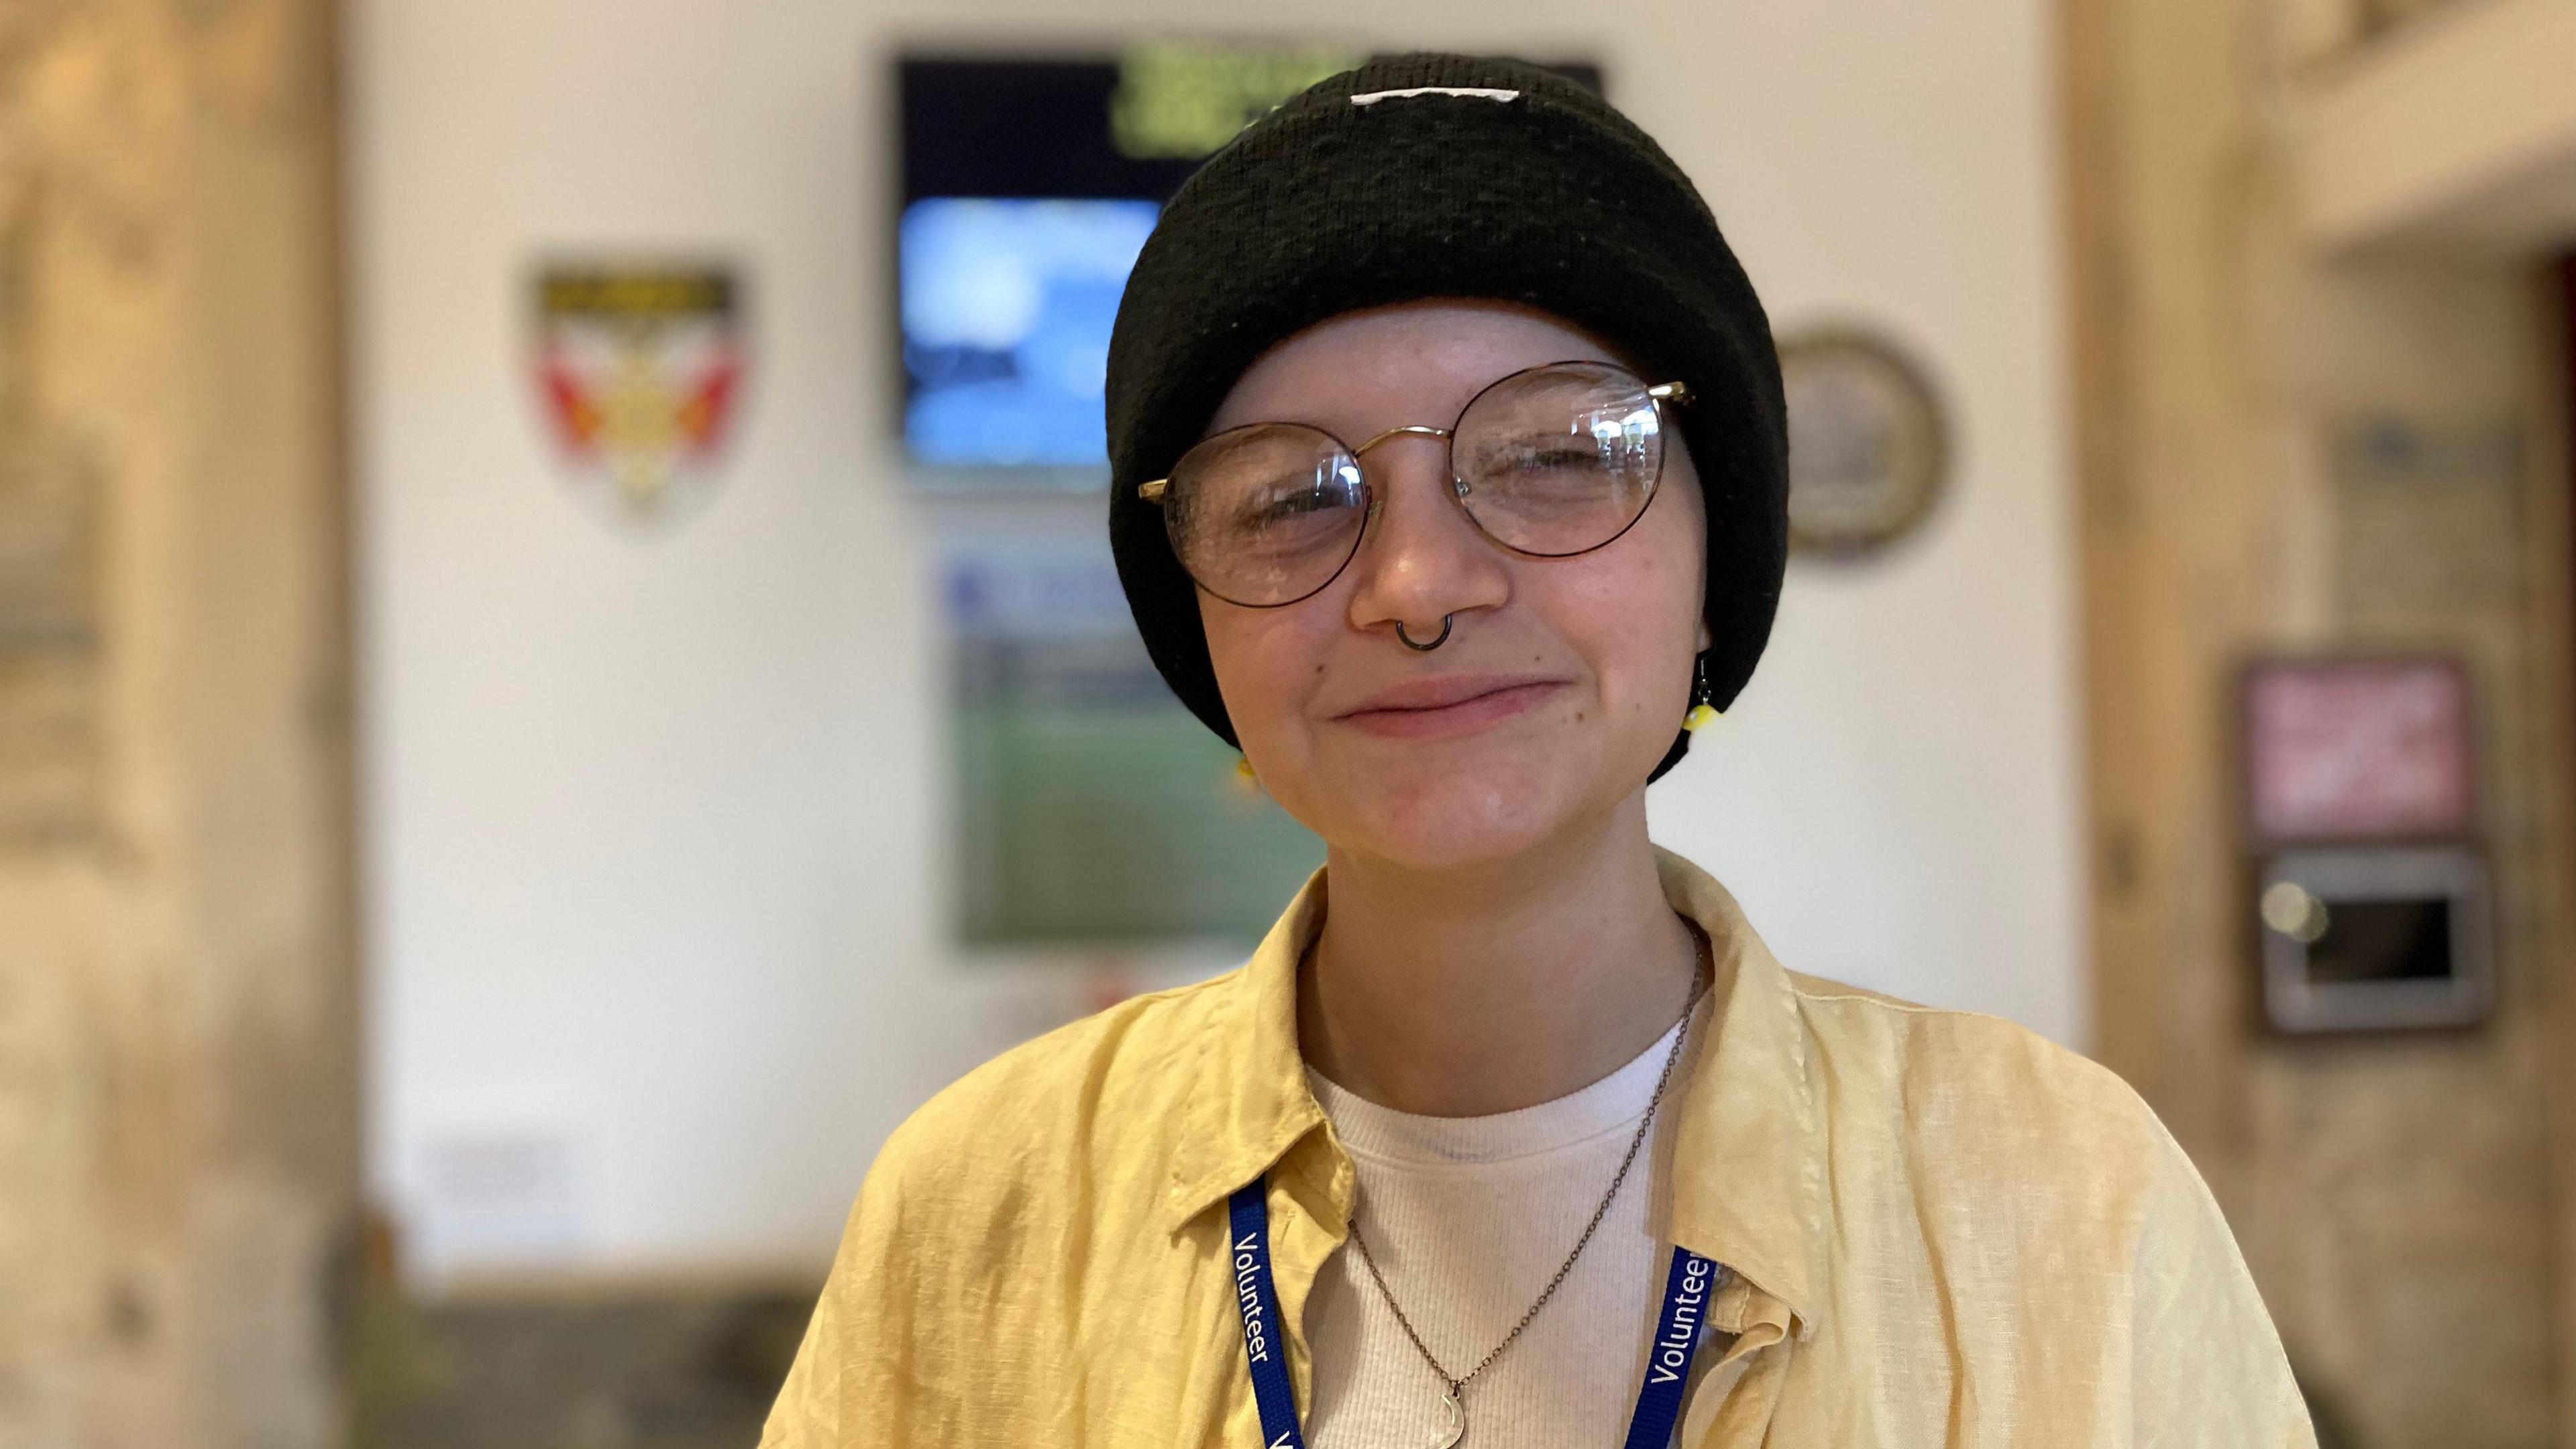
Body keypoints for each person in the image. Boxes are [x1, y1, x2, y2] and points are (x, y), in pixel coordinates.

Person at [763, 53, 2314, 1448]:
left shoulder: (2056, 1194)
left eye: (1561, 457)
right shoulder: (984, 1210)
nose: (1421, 586)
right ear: (1201, 636)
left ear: (1720, 573)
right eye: (1293, 497)